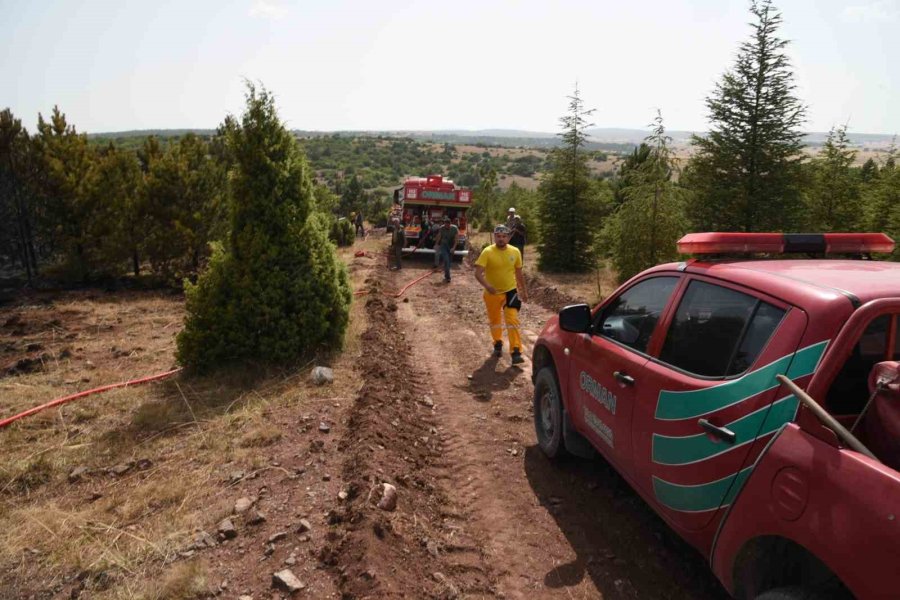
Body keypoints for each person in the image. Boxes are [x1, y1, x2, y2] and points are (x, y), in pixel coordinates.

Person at [474, 224, 529, 364]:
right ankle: (497, 343)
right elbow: (478, 273)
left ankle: (516, 351)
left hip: (510, 291)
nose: (501, 239)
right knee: (495, 321)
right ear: (494, 236)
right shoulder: (487, 252)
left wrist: (523, 290)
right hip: (492, 293)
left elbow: (518, 273)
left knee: (512, 320)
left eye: (504, 236)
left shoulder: (515, 252)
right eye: (498, 236)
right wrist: (487, 286)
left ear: (508, 238)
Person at [433, 216, 458, 282]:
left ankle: (446, 274)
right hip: (443, 245)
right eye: (445, 225)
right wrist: (436, 244)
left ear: (450, 224)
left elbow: (456, 239)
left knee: (449, 263)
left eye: (447, 225)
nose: (446, 226)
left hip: (451, 246)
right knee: (446, 260)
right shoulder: (442, 228)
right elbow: (439, 236)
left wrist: (453, 248)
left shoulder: (454, 228)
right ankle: (448, 277)